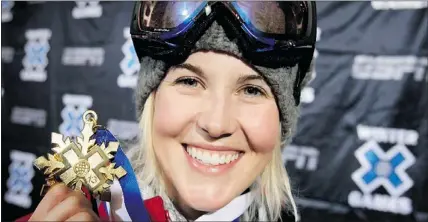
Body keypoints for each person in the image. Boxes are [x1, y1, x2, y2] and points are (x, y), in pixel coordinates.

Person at [20, 1, 316, 222]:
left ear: (282, 119)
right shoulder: (66, 212)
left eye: (252, 90)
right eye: (189, 81)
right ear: (152, 99)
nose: (215, 124)